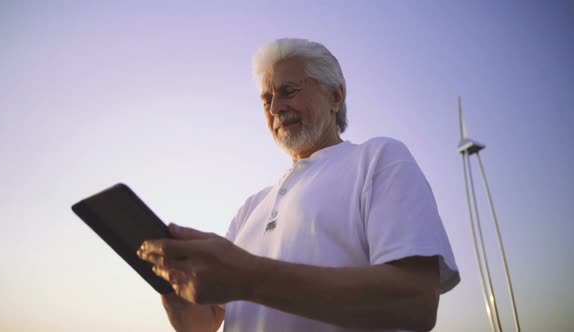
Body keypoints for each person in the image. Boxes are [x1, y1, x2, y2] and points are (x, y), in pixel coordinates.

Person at [137, 38, 460, 332]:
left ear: (335, 96)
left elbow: (415, 302)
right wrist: (173, 289)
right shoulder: (251, 207)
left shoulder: (378, 158)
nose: (275, 108)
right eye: (266, 99)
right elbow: (204, 324)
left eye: (288, 91)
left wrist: (246, 276)